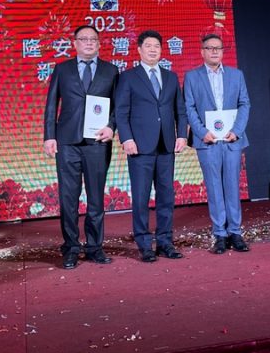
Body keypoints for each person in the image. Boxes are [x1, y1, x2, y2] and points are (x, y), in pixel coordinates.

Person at [44, 25, 119, 269]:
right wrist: (49, 136)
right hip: (67, 142)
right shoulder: (62, 69)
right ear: (74, 43)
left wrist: (111, 127)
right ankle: (71, 248)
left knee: (96, 198)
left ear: (99, 43)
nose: (88, 43)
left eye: (93, 39)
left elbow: (118, 105)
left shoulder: (111, 70)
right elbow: (51, 104)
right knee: (68, 198)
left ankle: (95, 247)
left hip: (97, 142)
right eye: (83, 39)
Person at [115, 30, 188, 263]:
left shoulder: (170, 77)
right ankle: (144, 244)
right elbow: (121, 111)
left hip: (166, 145)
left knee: (166, 197)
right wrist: (126, 138)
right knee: (141, 197)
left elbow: (180, 110)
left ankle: (165, 242)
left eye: (157, 45)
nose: (153, 49)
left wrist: (182, 135)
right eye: (148, 45)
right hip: (140, 148)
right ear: (139, 50)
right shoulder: (128, 77)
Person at [184, 33, 251, 254]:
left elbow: (244, 104)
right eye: (210, 48)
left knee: (232, 185)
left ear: (223, 52)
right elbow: (189, 108)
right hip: (208, 141)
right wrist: (202, 132)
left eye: (218, 48)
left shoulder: (236, 75)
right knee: (214, 187)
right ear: (202, 51)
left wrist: (237, 131)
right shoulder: (192, 77)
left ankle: (235, 232)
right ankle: (220, 234)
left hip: (232, 139)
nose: (214, 51)